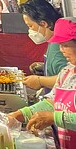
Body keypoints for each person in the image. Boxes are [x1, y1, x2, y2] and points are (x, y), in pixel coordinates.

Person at [8, 17, 76, 148]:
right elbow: (52, 101)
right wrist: (20, 115)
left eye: (66, 45)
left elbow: (54, 115)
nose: (61, 50)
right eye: (60, 45)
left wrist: (54, 118)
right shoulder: (67, 72)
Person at [19, 0, 67, 92]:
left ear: (43, 24)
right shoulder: (53, 40)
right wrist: (45, 67)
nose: (30, 30)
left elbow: (68, 79)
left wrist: (40, 81)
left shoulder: (59, 47)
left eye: (30, 26)